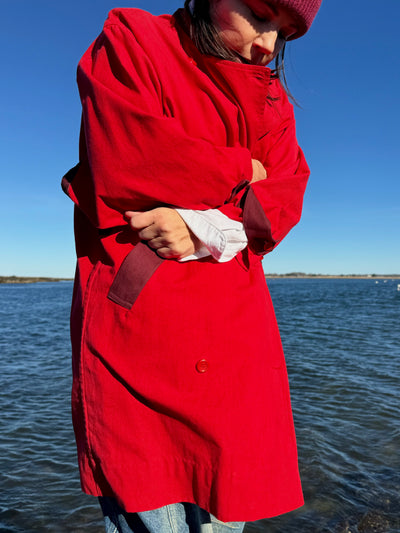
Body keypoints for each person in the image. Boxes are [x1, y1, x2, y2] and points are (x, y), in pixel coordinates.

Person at [62, 0, 322, 531]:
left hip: (234, 340)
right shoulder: (133, 40)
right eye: (260, 14)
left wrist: (205, 228)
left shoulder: (272, 100)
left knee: (227, 506)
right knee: (149, 501)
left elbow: (287, 195)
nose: (269, 45)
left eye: (285, 32)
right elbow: (131, 157)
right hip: (140, 337)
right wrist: (241, 170)